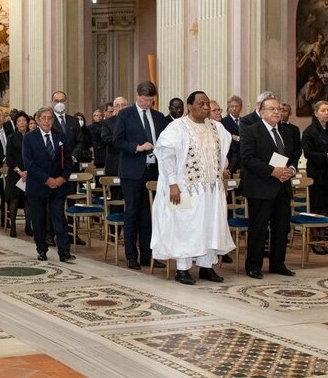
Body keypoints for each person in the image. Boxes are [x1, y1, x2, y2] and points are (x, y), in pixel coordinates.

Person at [150, 92, 232, 284]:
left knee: (210, 226)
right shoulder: (177, 128)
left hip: (211, 190)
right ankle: (182, 269)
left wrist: (222, 178)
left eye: (207, 104)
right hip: (184, 190)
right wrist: (173, 185)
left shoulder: (217, 128)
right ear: (189, 106)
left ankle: (207, 266)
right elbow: (167, 157)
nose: (205, 107)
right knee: (185, 227)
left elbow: (222, 157)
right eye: (201, 104)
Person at [239, 96, 302, 278]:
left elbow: (295, 154)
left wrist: (291, 169)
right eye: (272, 109)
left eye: (279, 109)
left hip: (282, 186)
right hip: (260, 186)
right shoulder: (251, 131)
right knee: (258, 228)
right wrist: (271, 171)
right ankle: (253, 266)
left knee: (281, 227)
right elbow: (248, 159)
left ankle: (278, 264)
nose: (277, 112)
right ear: (262, 112)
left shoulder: (288, 131)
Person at [113, 81, 167, 270]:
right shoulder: (125, 115)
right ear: (137, 96)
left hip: (153, 172)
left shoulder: (159, 117)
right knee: (132, 214)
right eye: (144, 100)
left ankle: (147, 254)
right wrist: (137, 147)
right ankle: (131, 256)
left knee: (149, 216)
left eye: (150, 101)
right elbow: (117, 141)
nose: (147, 104)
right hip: (132, 172)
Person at [22, 107, 75, 263]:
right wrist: (47, 179)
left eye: (50, 118)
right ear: (37, 120)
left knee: (59, 218)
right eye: (43, 118)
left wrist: (62, 178)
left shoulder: (60, 136)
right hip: (38, 186)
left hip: (58, 185)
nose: (47, 121)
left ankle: (64, 251)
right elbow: (29, 164)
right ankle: (42, 249)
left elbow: (68, 161)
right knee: (38, 219)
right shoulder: (29, 138)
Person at [300, 100, 328, 247]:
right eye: (323, 110)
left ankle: (324, 239)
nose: (326, 113)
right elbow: (308, 153)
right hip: (317, 174)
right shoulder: (309, 131)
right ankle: (315, 240)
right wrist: (327, 156)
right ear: (316, 113)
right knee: (317, 206)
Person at [5, 111, 31, 237]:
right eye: (19, 121)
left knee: (28, 200)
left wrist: (28, 171)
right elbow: (9, 157)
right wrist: (19, 171)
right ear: (16, 124)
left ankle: (28, 226)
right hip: (15, 173)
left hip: (29, 173)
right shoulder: (11, 137)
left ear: (27, 123)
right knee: (14, 199)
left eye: (24, 121)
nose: (22, 123)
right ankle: (13, 227)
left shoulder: (32, 136)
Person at [51, 90, 85, 161]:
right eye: (56, 101)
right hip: (54, 162)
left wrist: (74, 156)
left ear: (66, 102)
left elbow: (80, 140)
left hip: (72, 161)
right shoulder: (49, 120)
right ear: (52, 102)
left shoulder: (74, 120)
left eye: (62, 101)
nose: (59, 103)